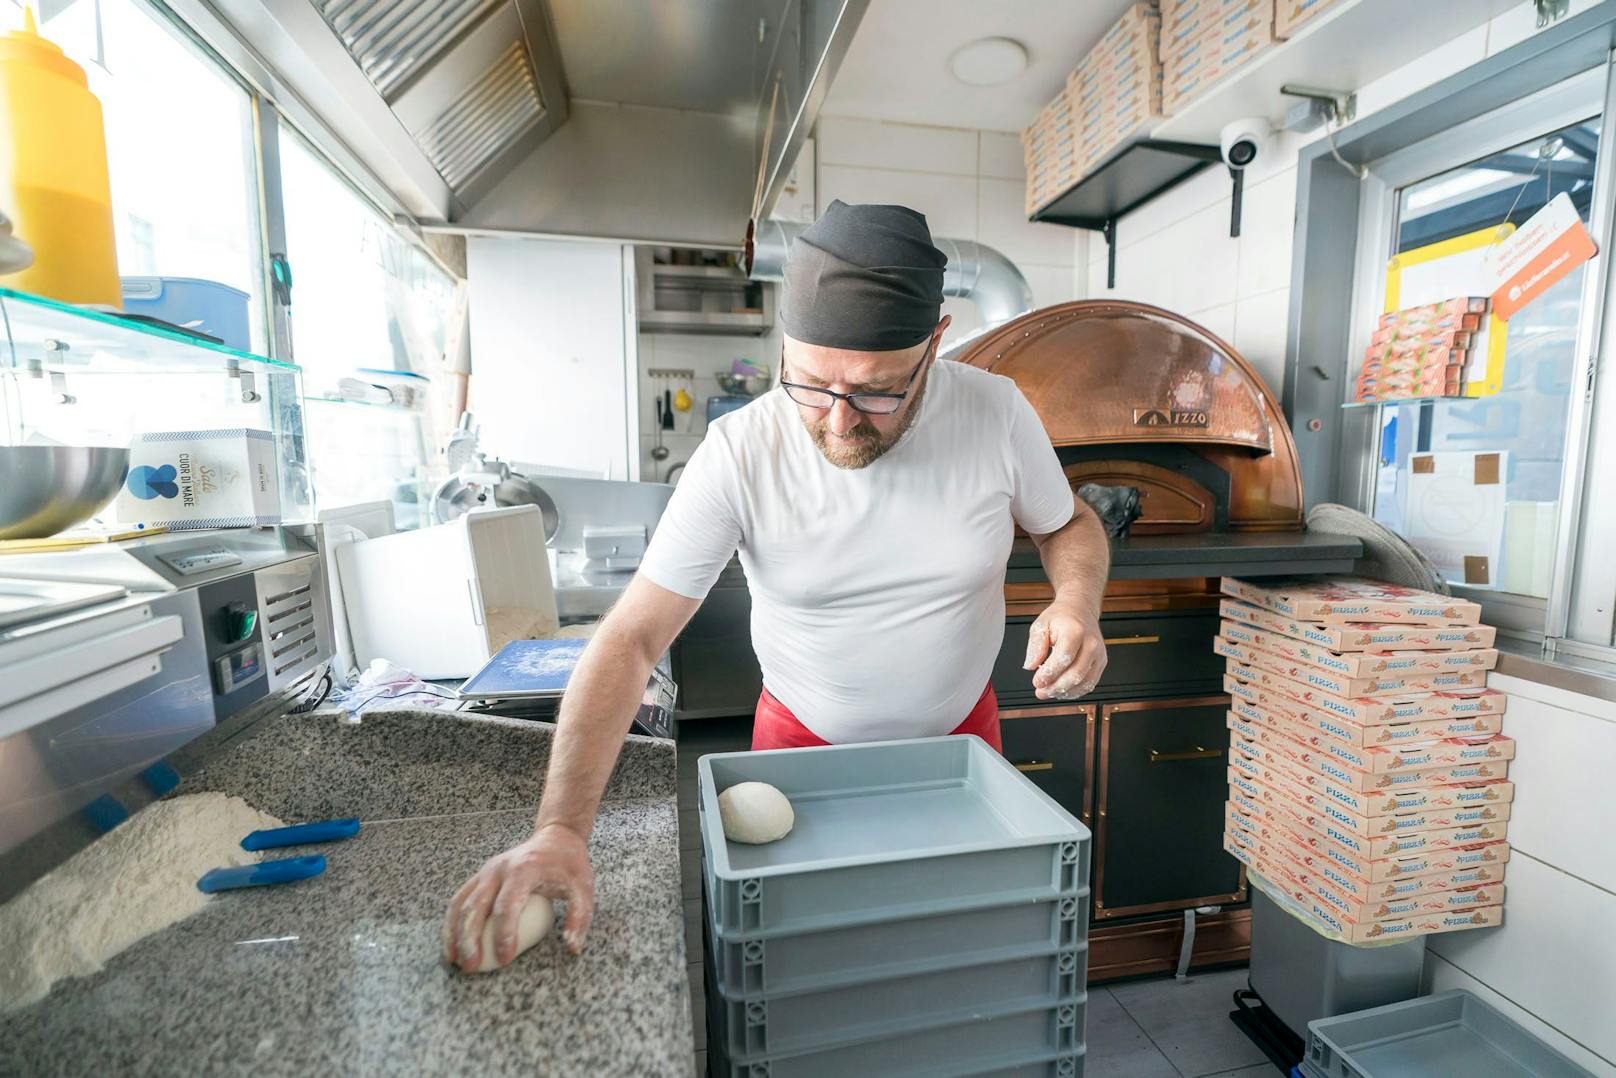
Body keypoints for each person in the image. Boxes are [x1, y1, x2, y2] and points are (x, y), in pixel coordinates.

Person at [443, 201, 1112, 972]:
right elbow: (630, 640)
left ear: (935, 343)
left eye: (874, 392)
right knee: (810, 965)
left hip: (962, 746)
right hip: (801, 754)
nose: (835, 421)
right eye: (809, 382)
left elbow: (1069, 525)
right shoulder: (740, 450)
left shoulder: (995, 414)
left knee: (953, 954)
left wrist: (1075, 602)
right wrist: (560, 828)